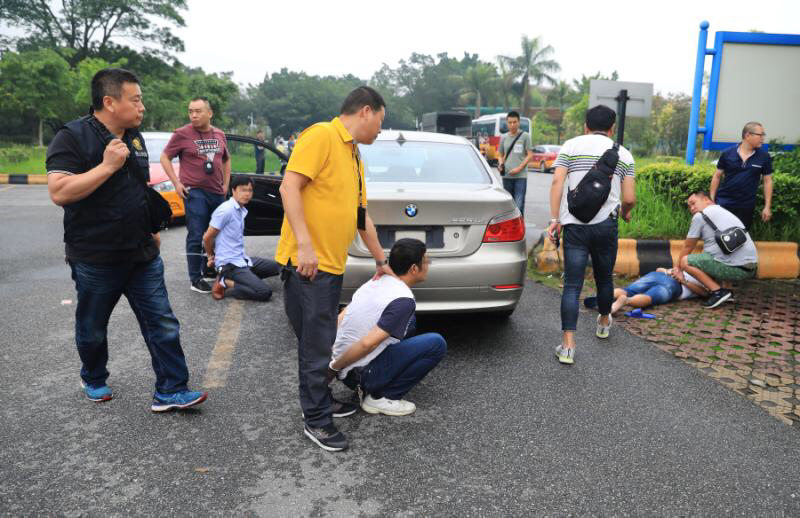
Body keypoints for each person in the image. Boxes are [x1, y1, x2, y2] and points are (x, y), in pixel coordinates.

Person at [46, 68, 207, 411]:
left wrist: (151, 229)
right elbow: (59, 192)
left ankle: (171, 389)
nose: (142, 106)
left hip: (142, 252)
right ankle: (93, 375)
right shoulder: (72, 137)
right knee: (92, 328)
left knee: (162, 321)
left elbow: (138, 188)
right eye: (135, 100)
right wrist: (105, 167)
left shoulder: (134, 136)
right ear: (109, 102)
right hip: (95, 256)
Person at [276, 86, 390, 452]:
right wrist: (305, 245)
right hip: (309, 265)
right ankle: (317, 420)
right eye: (381, 122)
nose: (380, 131)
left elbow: (360, 215)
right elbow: (288, 187)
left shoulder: (353, 154)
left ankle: (320, 402)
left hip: (329, 265)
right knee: (316, 346)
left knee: (320, 342)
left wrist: (381, 260)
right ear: (366, 111)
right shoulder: (321, 136)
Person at [547, 105, 636, 365]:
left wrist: (555, 219)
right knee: (604, 277)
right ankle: (604, 323)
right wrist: (626, 212)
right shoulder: (624, 154)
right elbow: (629, 198)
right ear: (612, 128)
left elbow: (557, 183)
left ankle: (568, 346)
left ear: (585, 126)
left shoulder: (571, 146)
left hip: (574, 225)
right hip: (606, 226)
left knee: (572, 285)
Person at [330, 239, 446, 418]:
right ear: (414, 269)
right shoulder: (403, 301)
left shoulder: (378, 279)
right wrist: (334, 368)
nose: (428, 266)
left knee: (410, 322)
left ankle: (370, 378)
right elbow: (368, 344)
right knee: (436, 343)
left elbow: (344, 314)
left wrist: (333, 353)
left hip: (346, 362)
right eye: (426, 262)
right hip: (358, 373)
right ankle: (381, 397)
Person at [160, 97, 231, 294]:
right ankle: (195, 277)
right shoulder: (182, 134)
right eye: (190, 111)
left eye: (198, 111)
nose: (193, 115)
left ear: (210, 113)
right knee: (197, 234)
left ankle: (208, 269)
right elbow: (165, 157)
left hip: (217, 192)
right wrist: (176, 182)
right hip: (194, 191)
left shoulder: (219, 134)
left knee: (215, 234)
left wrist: (226, 184)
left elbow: (226, 159)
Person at [202, 176, 280, 301]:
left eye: (250, 190)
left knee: (279, 267)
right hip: (229, 264)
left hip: (242, 260)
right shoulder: (226, 210)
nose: (247, 194)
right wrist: (211, 257)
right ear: (233, 190)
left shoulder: (240, 209)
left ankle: (245, 278)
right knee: (264, 292)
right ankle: (225, 282)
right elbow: (207, 238)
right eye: (243, 190)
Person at [677, 191, 758, 309]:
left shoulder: (700, 216)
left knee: (685, 261)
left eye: (693, 203)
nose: (692, 208)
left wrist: (678, 268)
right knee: (715, 254)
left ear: (707, 200)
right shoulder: (723, 212)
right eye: (689, 206)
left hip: (736, 270)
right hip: (751, 268)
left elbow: (688, 246)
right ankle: (728, 291)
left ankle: (718, 292)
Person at [710, 122, 773, 230]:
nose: (763, 138)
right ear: (747, 135)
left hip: (746, 206)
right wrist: (711, 199)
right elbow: (717, 176)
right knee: (719, 235)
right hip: (724, 202)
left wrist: (767, 207)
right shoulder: (727, 153)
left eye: (763, 135)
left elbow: (768, 181)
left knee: (740, 238)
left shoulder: (764, 156)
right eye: (760, 135)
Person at [585, 268, 708, 314]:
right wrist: (681, 279)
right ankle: (626, 301)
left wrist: (669, 272)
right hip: (674, 285)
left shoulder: (686, 265)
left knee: (627, 290)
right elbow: (704, 293)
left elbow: (659, 269)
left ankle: (603, 296)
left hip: (660, 276)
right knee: (649, 298)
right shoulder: (707, 278)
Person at [497, 111, 533, 215]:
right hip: (507, 176)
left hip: (520, 176)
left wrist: (519, 168)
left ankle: (519, 228)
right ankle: (510, 228)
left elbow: (530, 154)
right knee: (508, 204)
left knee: (519, 203)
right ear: (507, 123)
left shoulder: (525, 136)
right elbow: (500, 154)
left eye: (514, 122)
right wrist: (500, 164)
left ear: (519, 122)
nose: (512, 125)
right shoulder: (503, 137)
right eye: (510, 122)